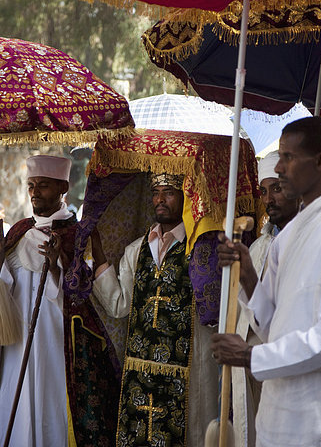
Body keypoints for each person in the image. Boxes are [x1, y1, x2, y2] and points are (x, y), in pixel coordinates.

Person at [212, 117, 321, 447]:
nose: (281, 167)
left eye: (288, 157)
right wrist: (246, 274)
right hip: (280, 413)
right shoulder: (286, 238)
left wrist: (250, 357)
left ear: (320, 161)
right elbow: (275, 327)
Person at [0, 155, 121, 447]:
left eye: (42, 186)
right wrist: (0, 256)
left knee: (51, 404)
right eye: (31, 185)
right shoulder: (17, 231)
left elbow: (81, 294)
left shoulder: (80, 235)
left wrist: (59, 265)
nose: (34, 192)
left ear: (63, 187)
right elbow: (2, 288)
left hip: (57, 341)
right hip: (17, 341)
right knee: (14, 404)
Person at [91, 171, 220, 447]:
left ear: (185, 197)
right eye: (156, 193)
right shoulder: (137, 249)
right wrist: (98, 251)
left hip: (188, 367)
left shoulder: (201, 249)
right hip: (141, 370)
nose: (160, 200)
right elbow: (118, 304)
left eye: (169, 193)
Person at [233, 150, 300, 447]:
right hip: (254, 370)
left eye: (277, 188)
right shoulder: (259, 246)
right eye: (263, 191)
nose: (268, 199)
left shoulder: (311, 241)